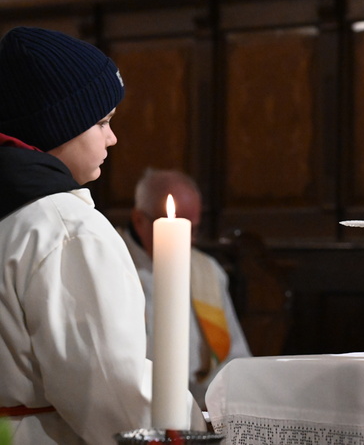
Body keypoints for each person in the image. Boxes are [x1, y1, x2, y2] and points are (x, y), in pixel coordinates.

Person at [0, 27, 202, 444]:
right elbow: (111, 390)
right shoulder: (64, 227)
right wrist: (194, 428)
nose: (112, 138)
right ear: (57, 125)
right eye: (102, 122)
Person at [123, 168, 251, 410]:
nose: (189, 240)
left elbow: (235, 357)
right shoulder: (112, 264)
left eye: (194, 229)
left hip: (201, 404)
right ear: (139, 220)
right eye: (179, 226)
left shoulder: (207, 271)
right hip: (134, 404)